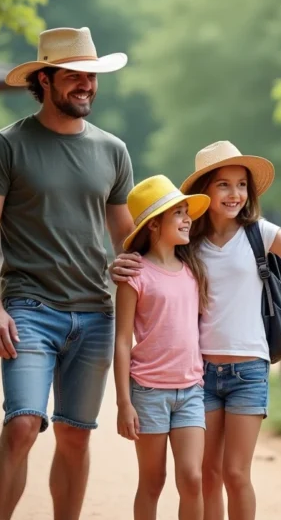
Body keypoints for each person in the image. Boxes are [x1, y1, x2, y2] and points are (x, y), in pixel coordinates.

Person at [110, 141, 281, 520]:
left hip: (249, 371)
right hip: (199, 374)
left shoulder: (260, 234)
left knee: (236, 474)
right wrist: (120, 266)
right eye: (224, 184)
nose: (235, 194)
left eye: (241, 185)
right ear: (204, 189)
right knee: (207, 476)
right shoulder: (188, 242)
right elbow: (153, 265)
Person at [0, 26, 136, 520]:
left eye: (92, 76)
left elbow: (125, 233)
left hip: (95, 315)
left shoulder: (113, 151)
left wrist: (143, 266)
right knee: (21, 426)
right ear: (44, 79)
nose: (86, 84)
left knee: (75, 436)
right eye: (74, 76)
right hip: (28, 310)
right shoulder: (7, 146)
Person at [112, 174, 211, 520]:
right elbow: (123, 341)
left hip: (191, 391)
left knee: (193, 478)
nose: (187, 220)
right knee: (152, 482)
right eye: (179, 214)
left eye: (187, 212)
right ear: (154, 225)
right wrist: (124, 403)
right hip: (149, 392)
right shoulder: (134, 275)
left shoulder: (193, 270)